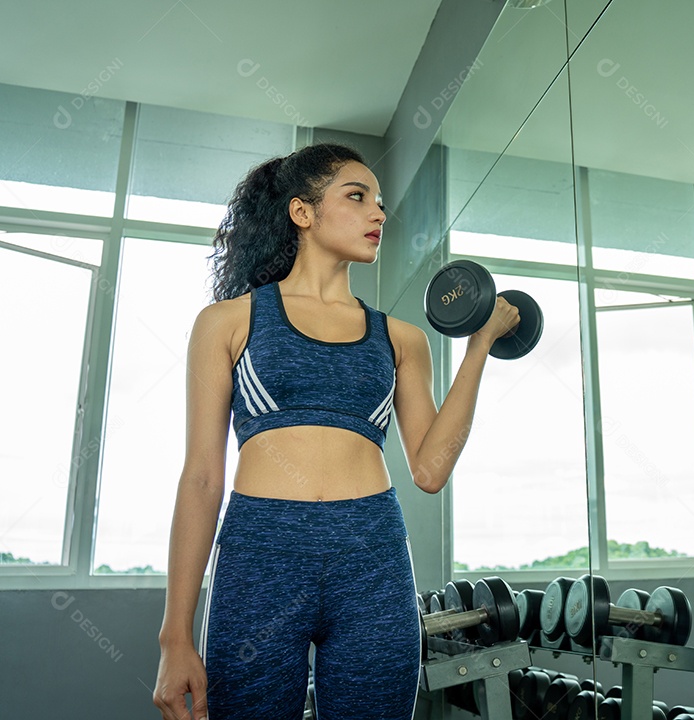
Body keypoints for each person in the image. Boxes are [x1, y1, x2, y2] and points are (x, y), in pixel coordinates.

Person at [151, 143, 518, 720]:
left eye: (380, 202)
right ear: (302, 212)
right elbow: (200, 478)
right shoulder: (228, 322)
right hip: (262, 554)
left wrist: (478, 350)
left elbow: (430, 469)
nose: (379, 213)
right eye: (358, 196)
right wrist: (175, 637)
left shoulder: (401, 338)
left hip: (372, 557)